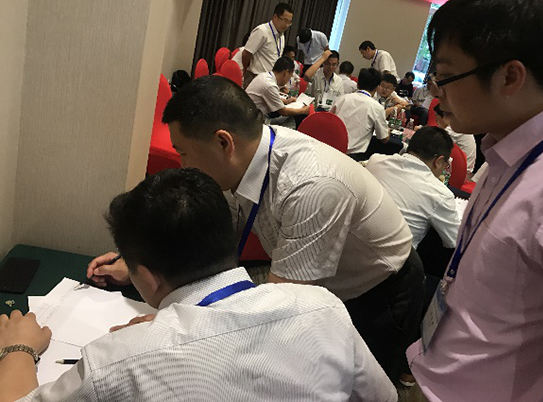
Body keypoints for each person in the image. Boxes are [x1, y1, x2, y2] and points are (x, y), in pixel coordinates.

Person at [89, 75, 423, 388]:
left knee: (348, 385)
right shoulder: (245, 159)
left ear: (223, 142)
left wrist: (175, 327)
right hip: (309, 276)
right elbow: (207, 240)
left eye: (184, 153)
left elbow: (277, 315)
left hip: (377, 289)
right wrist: (142, 265)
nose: (182, 165)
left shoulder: (310, 186)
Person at [1, 169, 398, 401]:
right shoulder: (323, 306)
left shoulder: (116, 362)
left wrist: (18, 349)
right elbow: (384, 396)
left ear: (147, 275)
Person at [406, 0, 543, 402]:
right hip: (441, 374)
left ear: (510, 77)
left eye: (446, 76)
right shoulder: (507, 147)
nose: (436, 92)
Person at [367, 127, 460, 250]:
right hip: (392, 258)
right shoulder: (440, 194)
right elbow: (455, 241)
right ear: (439, 161)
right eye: (446, 164)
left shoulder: (376, 161)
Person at [331, 68, 390, 161]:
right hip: (354, 157)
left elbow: (329, 118)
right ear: (376, 87)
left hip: (331, 149)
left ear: (357, 83)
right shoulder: (377, 108)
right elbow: (383, 138)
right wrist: (388, 131)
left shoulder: (343, 98)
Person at [245, 57, 309, 128]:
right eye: (290, 76)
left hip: (250, 113)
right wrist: (303, 111)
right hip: (252, 121)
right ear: (286, 72)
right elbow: (284, 112)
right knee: (292, 120)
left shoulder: (264, 75)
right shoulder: (269, 85)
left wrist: (285, 101)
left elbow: (266, 98)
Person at [242, 3, 293, 88]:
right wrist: (247, 71)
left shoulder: (282, 36)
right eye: (285, 20)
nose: (286, 25)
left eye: (289, 22)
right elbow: (246, 54)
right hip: (255, 77)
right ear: (275, 17)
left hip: (270, 81)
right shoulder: (262, 31)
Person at [433, 104, 477, 175]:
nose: (436, 121)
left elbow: (435, 142)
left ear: (445, 116)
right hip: (461, 168)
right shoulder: (458, 124)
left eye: (437, 118)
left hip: (462, 173)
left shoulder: (455, 129)